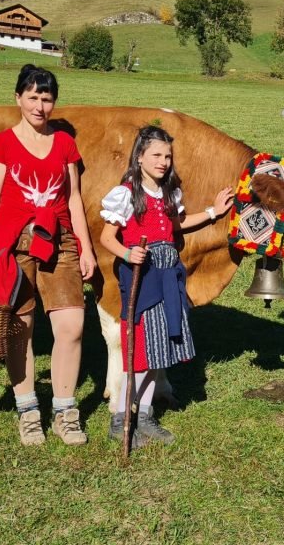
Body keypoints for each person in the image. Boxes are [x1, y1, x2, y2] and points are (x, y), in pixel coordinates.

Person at [0, 64, 97, 445]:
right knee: (21, 328)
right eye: (32, 97)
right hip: (14, 243)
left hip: (59, 241)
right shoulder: (1, 144)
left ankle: (65, 412)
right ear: (18, 98)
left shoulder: (65, 144)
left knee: (72, 326)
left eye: (46, 98)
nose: (39, 106)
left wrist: (85, 248)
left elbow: (73, 198)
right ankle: (29, 411)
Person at [97, 125, 233, 448]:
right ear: (139, 157)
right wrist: (127, 253)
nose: (163, 162)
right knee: (140, 350)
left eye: (168, 156)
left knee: (157, 348)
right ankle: (120, 420)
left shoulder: (168, 192)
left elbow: (176, 225)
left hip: (168, 273)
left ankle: (144, 417)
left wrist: (213, 212)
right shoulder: (126, 194)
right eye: (156, 155)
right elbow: (106, 237)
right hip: (142, 276)